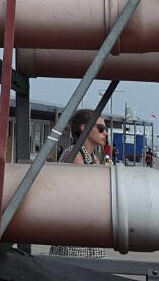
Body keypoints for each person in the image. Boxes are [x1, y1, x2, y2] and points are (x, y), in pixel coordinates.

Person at [51, 110, 113, 259]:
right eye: (101, 128)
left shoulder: (92, 158)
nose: (105, 133)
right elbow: (88, 193)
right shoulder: (74, 154)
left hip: (88, 228)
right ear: (85, 128)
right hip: (75, 229)